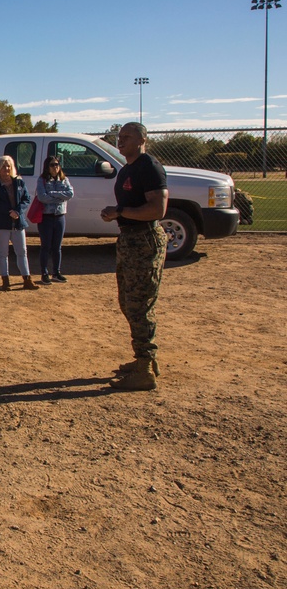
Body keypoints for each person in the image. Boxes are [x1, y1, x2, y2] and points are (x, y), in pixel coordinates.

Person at [100, 122, 168, 391]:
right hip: (129, 240)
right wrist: (117, 213)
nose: (120, 140)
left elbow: (158, 209)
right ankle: (145, 360)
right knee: (128, 303)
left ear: (142, 139)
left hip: (144, 240)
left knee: (140, 305)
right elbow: (128, 206)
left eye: (127, 136)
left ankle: (145, 368)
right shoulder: (128, 168)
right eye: (119, 136)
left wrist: (121, 212)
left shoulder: (149, 166)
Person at [0, 155, 40, 291]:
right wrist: (9, 212)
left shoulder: (19, 182)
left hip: (18, 223)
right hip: (1, 224)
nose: (7, 168)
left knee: (22, 251)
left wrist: (17, 211)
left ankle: (27, 279)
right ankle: (5, 280)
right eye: (4, 166)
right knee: (3, 253)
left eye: (9, 165)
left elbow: (26, 199)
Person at [35, 156, 74, 285]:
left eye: (57, 164)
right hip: (46, 217)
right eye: (52, 165)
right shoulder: (42, 180)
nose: (55, 167)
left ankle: (56, 272)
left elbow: (70, 194)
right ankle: (44, 273)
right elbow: (42, 197)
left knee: (57, 247)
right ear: (47, 167)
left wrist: (53, 194)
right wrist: (59, 196)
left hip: (60, 217)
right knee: (45, 246)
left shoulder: (64, 179)